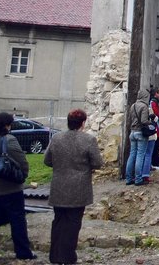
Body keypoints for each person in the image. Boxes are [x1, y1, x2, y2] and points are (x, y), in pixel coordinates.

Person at [0, 112, 36, 265]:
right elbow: (22, 162)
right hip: (9, 188)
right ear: (6, 125)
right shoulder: (9, 140)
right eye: (10, 124)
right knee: (17, 220)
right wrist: (22, 176)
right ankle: (23, 252)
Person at [44, 109, 103, 265]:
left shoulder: (56, 138)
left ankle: (55, 256)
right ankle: (68, 257)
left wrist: (61, 166)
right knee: (73, 223)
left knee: (58, 221)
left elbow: (47, 160)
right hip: (79, 187)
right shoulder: (89, 140)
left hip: (59, 186)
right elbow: (97, 162)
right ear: (83, 123)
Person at [126, 89, 151, 185]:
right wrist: (151, 122)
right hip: (140, 133)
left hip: (132, 132)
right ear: (145, 97)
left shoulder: (133, 105)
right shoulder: (144, 106)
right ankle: (138, 179)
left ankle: (128, 179)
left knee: (132, 155)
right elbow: (144, 121)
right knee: (140, 155)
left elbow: (129, 119)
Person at [148, 88, 159, 168]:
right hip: (155, 125)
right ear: (156, 94)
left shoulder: (153, 102)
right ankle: (155, 163)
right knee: (155, 146)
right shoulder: (154, 103)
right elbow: (156, 113)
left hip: (155, 125)